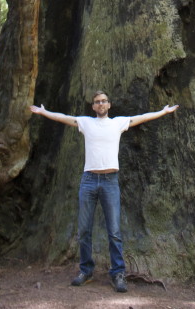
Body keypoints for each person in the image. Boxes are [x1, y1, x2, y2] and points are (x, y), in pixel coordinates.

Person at [30, 91, 179, 293]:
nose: (101, 104)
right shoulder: (85, 123)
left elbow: (142, 117)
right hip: (89, 181)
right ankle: (86, 270)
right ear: (93, 107)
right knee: (84, 230)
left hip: (110, 181)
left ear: (109, 105)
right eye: (97, 102)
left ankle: (118, 273)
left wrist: (163, 112)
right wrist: (43, 112)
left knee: (115, 232)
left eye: (104, 101)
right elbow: (64, 118)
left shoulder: (118, 123)